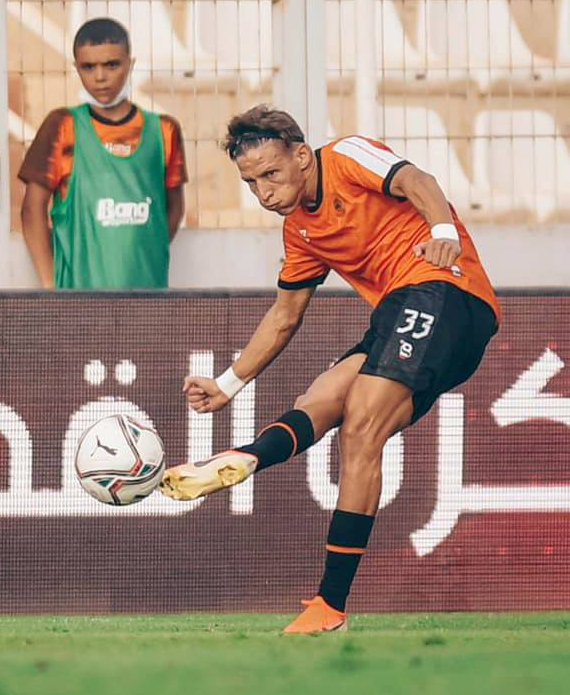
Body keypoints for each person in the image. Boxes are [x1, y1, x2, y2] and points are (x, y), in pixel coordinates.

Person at [159, 105, 500, 633]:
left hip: (447, 291)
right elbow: (284, 316)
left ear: (300, 156)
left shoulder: (344, 156)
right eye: (251, 183)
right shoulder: (300, 232)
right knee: (319, 400)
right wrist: (226, 385)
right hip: (398, 310)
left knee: (362, 423)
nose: (264, 192)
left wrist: (442, 229)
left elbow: (416, 178)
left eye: (271, 174)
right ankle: (246, 459)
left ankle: (330, 605)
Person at [19, 17, 187, 289]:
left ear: (129, 64)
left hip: (147, 294)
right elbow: (31, 210)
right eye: (88, 66)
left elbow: (174, 207)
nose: (100, 76)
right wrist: (50, 284)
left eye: (111, 64)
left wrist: (143, 247)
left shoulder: (164, 131)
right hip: (77, 298)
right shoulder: (62, 126)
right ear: (77, 68)